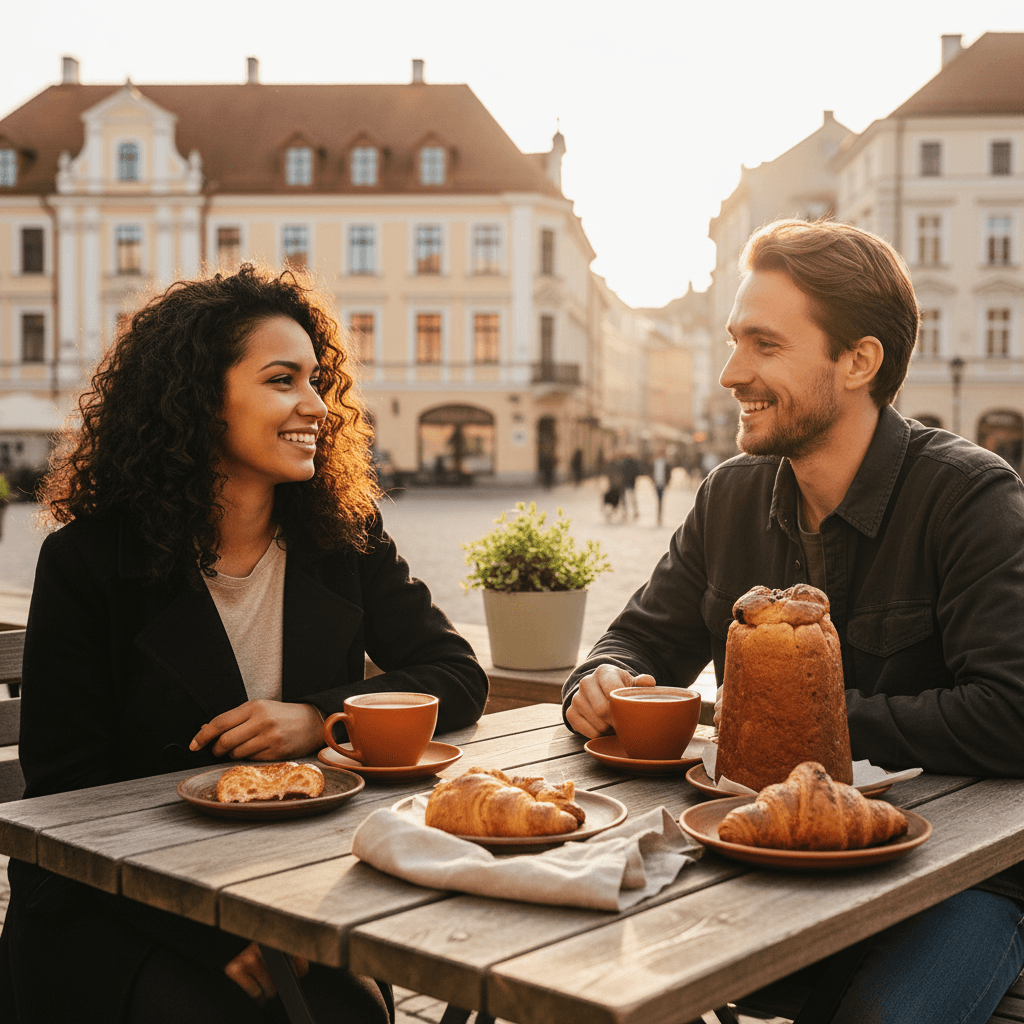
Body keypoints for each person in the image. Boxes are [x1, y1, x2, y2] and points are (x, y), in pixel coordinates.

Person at [0, 264, 489, 1024]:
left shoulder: (341, 539)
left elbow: (457, 674)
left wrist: (320, 716)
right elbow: (67, 804)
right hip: (123, 913)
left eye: (318, 380)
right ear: (199, 399)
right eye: (281, 380)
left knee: (349, 1015)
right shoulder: (91, 563)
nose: (316, 406)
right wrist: (211, 928)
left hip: (291, 892)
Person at [562, 220, 1024, 1023]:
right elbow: (637, 638)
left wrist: (804, 730)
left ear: (859, 361)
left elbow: (1014, 714)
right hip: (763, 853)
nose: (731, 373)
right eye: (734, 341)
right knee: (581, 974)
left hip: (959, 877)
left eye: (764, 345)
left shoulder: (969, 499)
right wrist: (596, 682)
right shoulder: (729, 495)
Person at [650, 447, 669, 525]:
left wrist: (667, 482)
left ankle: (659, 515)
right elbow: (651, 472)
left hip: (662, 483)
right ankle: (659, 515)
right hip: (656, 483)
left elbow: (668, 474)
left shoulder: (666, 463)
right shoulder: (655, 463)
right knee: (658, 499)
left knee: (660, 500)